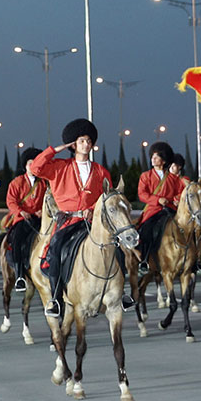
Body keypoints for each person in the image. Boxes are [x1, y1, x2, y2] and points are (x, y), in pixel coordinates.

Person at [31, 118, 133, 317]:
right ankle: (55, 299)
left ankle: (122, 293)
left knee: (118, 250)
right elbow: (36, 168)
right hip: (67, 221)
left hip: (92, 222)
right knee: (55, 248)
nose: (86, 144)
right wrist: (56, 149)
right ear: (73, 144)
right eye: (81, 141)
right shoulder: (59, 167)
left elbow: (108, 198)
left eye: (88, 141)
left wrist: (93, 208)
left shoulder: (101, 171)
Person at [1, 147, 46, 292]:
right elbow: (11, 201)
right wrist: (21, 212)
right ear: (25, 166)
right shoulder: (17, 182)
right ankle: (20, 275)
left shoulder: (44, 183)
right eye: (30, 164)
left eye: (35, 164)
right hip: (22, 219)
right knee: (17, 240)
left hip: (40, 218)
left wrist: (43, 211)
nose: (32, 167)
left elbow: (49, 199)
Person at [135, 142, 182, 273]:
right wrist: (157, 200)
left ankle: (192, 259)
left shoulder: (173, 178)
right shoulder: (145, 176)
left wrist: (177, 199)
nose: (153, 159)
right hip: (153, 211)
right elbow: (142, 194)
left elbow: (180, 192)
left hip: (170, 210)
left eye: (157, 156)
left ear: (164, 160)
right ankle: (144, 260)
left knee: (188, 227)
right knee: (146, 231)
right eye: (152, 156)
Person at [169, 153, 201, 262]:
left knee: (200, 225)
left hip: (186, 210)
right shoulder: (167, 179)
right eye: (171, 165)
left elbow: (192, 194)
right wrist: (173, 200)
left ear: (179, 167)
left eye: (174, 165)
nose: (172, 167)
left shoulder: (185, 180)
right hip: (171, 208)